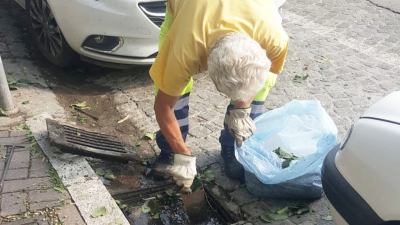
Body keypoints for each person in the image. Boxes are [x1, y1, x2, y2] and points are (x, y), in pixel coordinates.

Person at [149, 0, 289, 192]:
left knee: (260, 85)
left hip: (253, 13)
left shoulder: (275, 40)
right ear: (207, 66)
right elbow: (164, 107)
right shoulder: (186, 47)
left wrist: (242, 109)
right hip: (191, 11)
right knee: (173, 87)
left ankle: (232, 148)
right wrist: (182, 153)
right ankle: (170, 152)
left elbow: (262, 77)